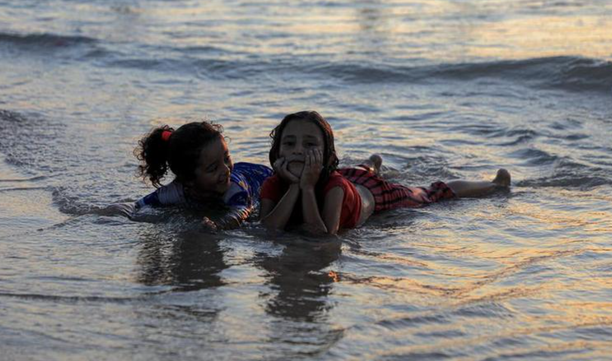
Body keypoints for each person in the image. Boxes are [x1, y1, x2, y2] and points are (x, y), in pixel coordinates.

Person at [259, 111, 511, 235]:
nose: (298, 151)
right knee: (359, 170)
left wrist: (305, 187)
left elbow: (322, 234)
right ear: (277, 151)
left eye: (310, 145)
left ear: (326, 156)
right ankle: (372, 163)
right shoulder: (273, 184)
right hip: (351, 175)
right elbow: (268, 228)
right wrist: (294, 186)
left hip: (373, 193)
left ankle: (494, 183)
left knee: (431, 193)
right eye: (289, 144)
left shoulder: (333, 187)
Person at [117, 121, 272, 230]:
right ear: (188, 179)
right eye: (213, 168)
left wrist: (218, 225)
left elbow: (239, 213)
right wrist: (112, 213)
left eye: (226, 158)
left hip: (261, 178)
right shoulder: (176, 191)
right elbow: (138, 206)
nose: (225, 170)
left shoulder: (234, 188)